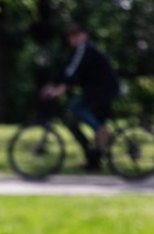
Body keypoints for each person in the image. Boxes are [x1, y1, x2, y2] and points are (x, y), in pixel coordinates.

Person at [40, 20, 121, 171]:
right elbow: (67, 69)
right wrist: (53, 83)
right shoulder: (78, 51)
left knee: (76, 108)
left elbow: (72, 72)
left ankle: (102, 131)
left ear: (84, 35)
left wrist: (60, 88)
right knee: (76, 119)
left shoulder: (85, 48)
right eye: (70, 36)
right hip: (98, 90)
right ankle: (93, 162)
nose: (73, 38)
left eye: (76, 35)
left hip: (103, 90)